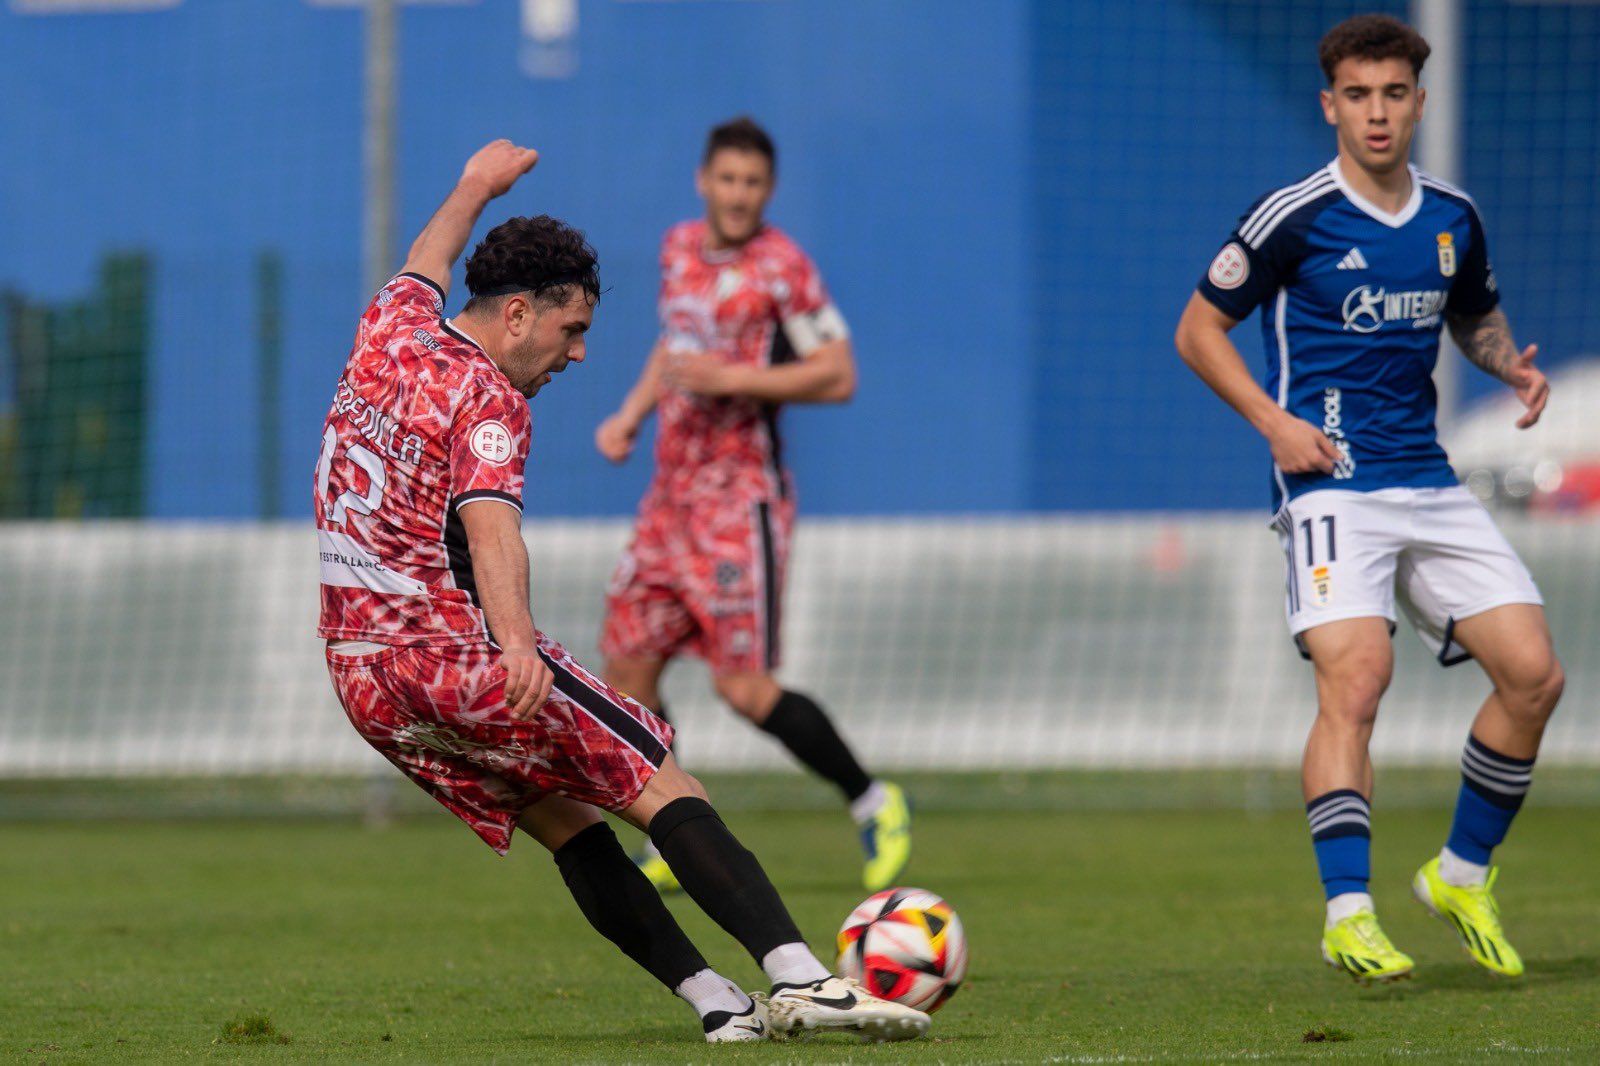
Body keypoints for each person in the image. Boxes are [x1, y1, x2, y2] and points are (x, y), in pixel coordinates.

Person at [315, 137, 930, 1042]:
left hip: (362, 680)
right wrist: (517, 645)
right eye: (571, 330)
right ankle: (803, 979)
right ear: (518, 315)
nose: (579, 355)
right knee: (655, 771)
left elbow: (428, 257)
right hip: (453, 653)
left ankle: (719, 1005)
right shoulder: (489, 399)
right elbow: (493, 531)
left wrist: (473, 187)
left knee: (563, 818)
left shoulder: (391, 328)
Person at [1174, 15, 1562, 982]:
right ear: (1331, 105)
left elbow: (1470, 313)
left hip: (1427, 480)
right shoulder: (1292, 216)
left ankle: (1460, 873)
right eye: (1359, 95)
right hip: (1330, 485)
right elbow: (1197, 332)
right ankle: (1348, 912)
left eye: (1394, 94)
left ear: (1418, 102)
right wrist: (1272, 421)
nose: (1378, 112)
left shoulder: (1452, 215)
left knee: (1534, 677)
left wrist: (1508, 365)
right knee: (1357, 679)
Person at [594, 117, 911, 893]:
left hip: (742, 504)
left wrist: (736, 380)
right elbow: (673, 350)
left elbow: (838, 374)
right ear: (704, 181)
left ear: (767, 192)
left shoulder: (783, 269)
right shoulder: (676, 249)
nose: (738, 195)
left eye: (752, 184)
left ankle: (872, 798)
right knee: (627, 669)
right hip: (669, 499)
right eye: (727, 179)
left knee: (743, 688)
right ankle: (675, 823)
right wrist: (633, 412)